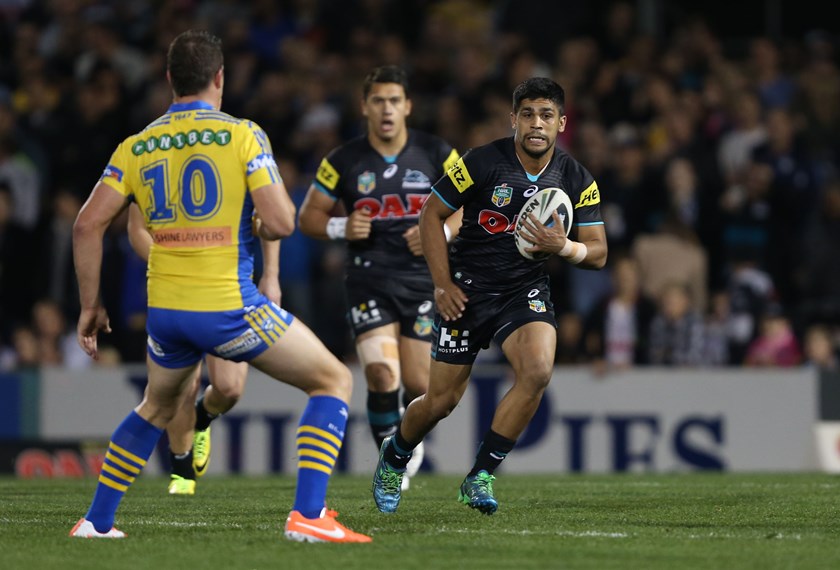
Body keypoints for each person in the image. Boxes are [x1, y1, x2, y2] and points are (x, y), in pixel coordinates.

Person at [69, 29, 370, 543]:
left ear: (168, 81)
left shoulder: (136, 145)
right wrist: (257, 220)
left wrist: (91, 306)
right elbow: (281, 222)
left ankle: (96, 522)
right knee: (333, 381)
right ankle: (309, 516)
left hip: (165, 310)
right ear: (220, 77)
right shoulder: (243, 135)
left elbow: (86, 225)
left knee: (157, 407)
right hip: (228, 305)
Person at [372, 77, 607, 514]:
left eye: (547, 115)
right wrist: (442, 285)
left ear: (562, 123)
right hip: (467, 290)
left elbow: (598, 253)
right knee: (440, 402)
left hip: (524, 290)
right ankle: (396, 454)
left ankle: (479, 476)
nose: (538, 123)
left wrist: (565, 247)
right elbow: (431, 215)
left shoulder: (577, 177)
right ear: (513, 119)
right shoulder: (481, 162)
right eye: (529, 114)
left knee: (537, 371)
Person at [298, 65, 461, 490]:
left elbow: (467, 204)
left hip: (423, 280)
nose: (386, 109)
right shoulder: (342, 160)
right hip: (368, 279)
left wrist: (437, 232)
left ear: (407, 106)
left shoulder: (437, 152)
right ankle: (392, 457)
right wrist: (340, 226)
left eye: (394, 101)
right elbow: (309, 217)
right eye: (378, 101)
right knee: (381, 376)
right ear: (364, 107)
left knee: (419, 384)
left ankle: (404, 440)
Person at [126, 203, 280, 495]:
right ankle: (182, 470)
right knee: (183, 381)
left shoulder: (237, 159)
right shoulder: (154, 158)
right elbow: (137, 228)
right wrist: (173, 265)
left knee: (230, 387)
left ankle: (204, 416)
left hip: (227, 287)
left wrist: (271, 274)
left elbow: (272, 218)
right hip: (175, 288)